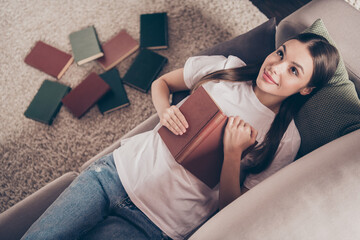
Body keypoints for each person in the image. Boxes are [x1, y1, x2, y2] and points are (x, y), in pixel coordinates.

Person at [22, 32, 339, 240]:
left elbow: (236, 210)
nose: (276, 67)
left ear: (307, 89)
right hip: (112, 175)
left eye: (294, 70)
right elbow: (163, 84)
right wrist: (164, 111)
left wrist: (232, 155)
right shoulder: (227, 69)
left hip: (152, 226)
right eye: (281, 54)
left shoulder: (284, 139)